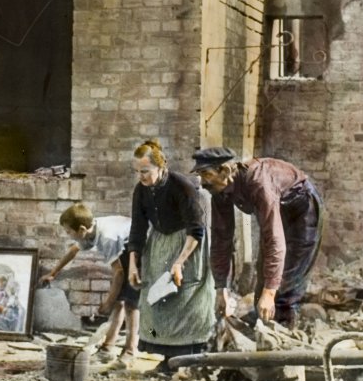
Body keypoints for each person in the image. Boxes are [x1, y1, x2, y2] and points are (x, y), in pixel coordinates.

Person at [191, 146, 324, 328]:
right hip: (278, 209)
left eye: (206, 174)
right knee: (263, 273)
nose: (202, 182)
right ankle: (261, 320)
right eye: (200, 175)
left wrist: (269, 293)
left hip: (302, 210)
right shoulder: (220, 190)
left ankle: (284, 327)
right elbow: (221, 239)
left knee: (288, 276)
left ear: (225, 171)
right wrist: (221, 289)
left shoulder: (258, 183)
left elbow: (274, 240)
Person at [126, 139, 215, 366]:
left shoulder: (181, 186)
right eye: (137, 172)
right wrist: (133, 264)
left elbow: (196, 229)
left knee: (186, 300)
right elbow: (137, 229)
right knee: (156, 302)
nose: (141, 177)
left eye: (145, 171)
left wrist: (179, 263)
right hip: (159, 247)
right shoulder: (141, 191)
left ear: (160, 167)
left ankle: (189, 359)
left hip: (188, 246)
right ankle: (166, 358)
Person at [39, 203, 139, 364]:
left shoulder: (106, 238)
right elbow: (73, 250)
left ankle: (130, 350)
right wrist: (53, 272)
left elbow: (119, 273)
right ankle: (107, 348)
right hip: (126, 244)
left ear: (81, 230)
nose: (67, 235)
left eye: (68, 232)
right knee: (119, 301)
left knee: (130, 302)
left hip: (139, 246)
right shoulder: (88, 230)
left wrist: (107, 302)